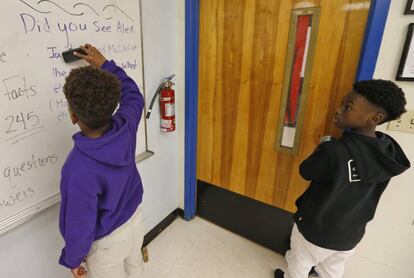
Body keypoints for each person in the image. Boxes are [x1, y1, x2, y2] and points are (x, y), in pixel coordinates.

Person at [275, 80, 410, 278]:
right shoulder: (387, 153)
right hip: (350, 234)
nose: (337, 110)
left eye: (347, 107)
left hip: (316, 230)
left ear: (374, 117)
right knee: (332, 270)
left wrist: (321, 149)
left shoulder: (335, 150)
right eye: (341, 103)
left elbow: (306, 171)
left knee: (299, 263)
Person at [58, 43, 146, 278]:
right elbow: (134, 95)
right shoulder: (126, 125)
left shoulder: (77, 169)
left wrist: (74, 260)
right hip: (136, 220)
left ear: (74, 116)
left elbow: (79, 225)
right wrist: (105, 65)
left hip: (107, 244)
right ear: (112, 106)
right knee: (135, 267)